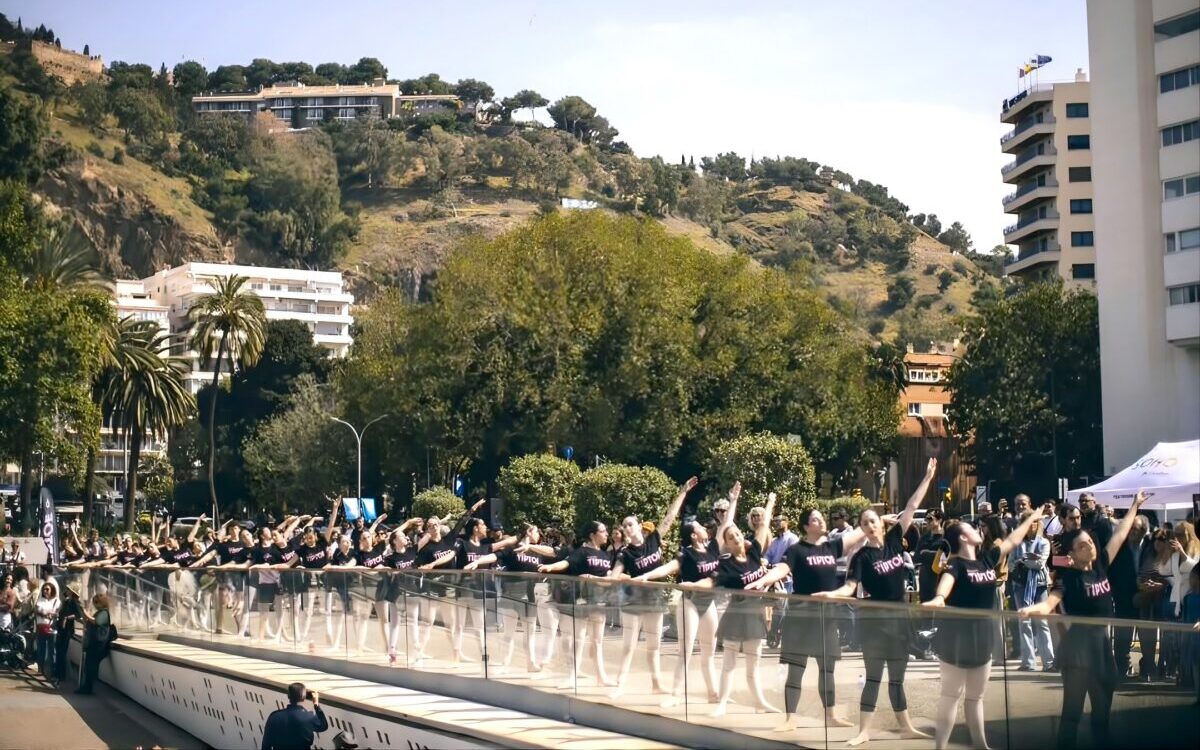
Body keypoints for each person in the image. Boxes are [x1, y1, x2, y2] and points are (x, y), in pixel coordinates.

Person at [813, 457, 938, 746]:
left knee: (897, 678)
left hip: (900, 620)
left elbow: (910, 507)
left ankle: (905, 726)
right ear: (863, 528)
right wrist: (832, 594)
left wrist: (928, 478)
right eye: (865, 523)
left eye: (873, 520)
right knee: (873, 678)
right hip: (875, 624)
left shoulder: (895, 540)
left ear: (881, 524)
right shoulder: (862, 557)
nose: (870, 525)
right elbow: (851, 586)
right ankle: (863, 731)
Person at [1019, 490, 1149, 749]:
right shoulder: (1070, 579)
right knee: (1072, 714)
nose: (1088, 546)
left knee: (1102, 713)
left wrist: (1135, 505)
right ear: (1072, 554)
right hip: (1078, 650)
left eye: (1089, 542)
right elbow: (1052, 600)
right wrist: (1039, 608)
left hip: (1101, 647)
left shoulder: (1101, 563)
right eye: (1081, 545)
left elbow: (1121, 533)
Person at [923, 503, 1049, 750]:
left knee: (975, 697)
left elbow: (1012, 541)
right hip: (957, 638)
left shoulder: (986, 560)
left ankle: (981, 745)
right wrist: (939, 598)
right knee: (951, 696)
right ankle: (939, 747)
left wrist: (1032, 517)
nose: (978, 528)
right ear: (962, 537)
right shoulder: (956, 564)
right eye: (972, 527)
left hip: (982, 636)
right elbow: (946, 583)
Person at [748, 498, 872, 732]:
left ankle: (831, 715)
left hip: (826, 617)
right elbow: (782, 569)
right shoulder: (797, 550)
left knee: (827, 669)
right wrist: (763, 580)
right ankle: (790, 718)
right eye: (816, 518)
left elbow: (858, 533)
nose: (822, 520)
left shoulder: (832, 546)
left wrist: (881, 518)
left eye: (821, 517)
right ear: (806, 526)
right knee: (796, 669)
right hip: (801, 617)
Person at [685, 482, 778, 717]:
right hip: (736, 617)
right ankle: (722, 703)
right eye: (730, 535)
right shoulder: (725, 564)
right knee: (729, 664)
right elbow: (711, 581)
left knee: (753, 666)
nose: (736, 536)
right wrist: (693, 584)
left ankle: (760, 702)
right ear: (726, 542)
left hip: (755, 616)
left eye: (737, 533)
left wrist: (770, 502)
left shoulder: (756, 552)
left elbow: (764, 525)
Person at [610, 477, 695, 696]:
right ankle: (620, 684)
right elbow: (614, 575)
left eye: (630, 524)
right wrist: (628, 579)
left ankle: (656, 684)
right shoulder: (624, 552)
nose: (627, 528)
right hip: (633, 601)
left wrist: (683, 491)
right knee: (629, 645)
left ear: (639, 525)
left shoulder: (654, 539)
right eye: (624, 525)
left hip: (654, 599)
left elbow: (670, 517)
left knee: (653, 645)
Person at [1009, 510, 1054, 672]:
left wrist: (1023, 560)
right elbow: (1011, 565)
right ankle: (1028, 662)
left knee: (1042, 623)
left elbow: (1040, 563)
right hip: (1020, 585)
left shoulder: (1044, 542)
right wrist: (1026, 560)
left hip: (1039, 585)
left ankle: (1049, 662)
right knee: (1024, 623)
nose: (1031, 526)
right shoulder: (1017, 543)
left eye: (1034, 522)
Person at [261, 682, 328, 750]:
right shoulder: (309, 717)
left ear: (288, 696)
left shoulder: (274, 716)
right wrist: (316, 705)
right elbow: (323, 726)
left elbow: (266, 745)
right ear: (303, 697)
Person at [77, 593, 114, 694]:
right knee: (88, 665)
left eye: (96, 602)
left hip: (98, 644)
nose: (95, 604)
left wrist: (86, 613)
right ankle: (86, 686)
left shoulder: (103, 613)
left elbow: (96, 622)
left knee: (91, 666)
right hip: (93, 643)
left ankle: (88, 687)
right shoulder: (99, 612)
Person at [53, 582, 85, 685]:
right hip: (61, 629)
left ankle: (61, 675)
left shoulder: (75, 602)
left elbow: (79, 616)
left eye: (68, 589)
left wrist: (68, 618)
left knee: (62, 652)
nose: (66, 590)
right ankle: (58, 673)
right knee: (59, 651)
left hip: (67, 630)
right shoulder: (67, 601)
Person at [33, 580, 61, 677]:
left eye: (47, 589)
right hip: (41, 627)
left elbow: (57, 613)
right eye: (44, 589)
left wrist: (48, 613)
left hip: (51, 628)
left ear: (52, 590)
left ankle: (51, 671)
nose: (45, 591)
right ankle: (41, 669)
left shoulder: (56, 601)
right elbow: (37, 610)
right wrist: (47, 613)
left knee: (51, 650)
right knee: (41, 649)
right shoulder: (40, 600)